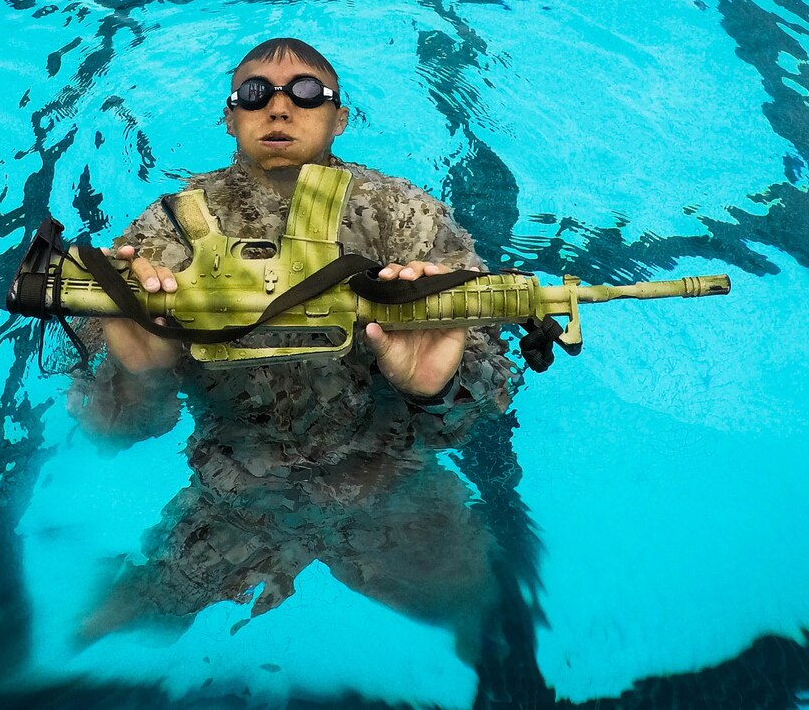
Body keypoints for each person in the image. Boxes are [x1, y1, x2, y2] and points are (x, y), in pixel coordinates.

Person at [70, 39, 517, 652]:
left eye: (306, 93)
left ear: (340, 116)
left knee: (478, 619)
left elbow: (493, 393)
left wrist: (439, 388)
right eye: (255, 94)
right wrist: (139, 374)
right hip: (237, 495)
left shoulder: (405, 220)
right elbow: (111, 431)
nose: (278, 108)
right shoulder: (164, 234)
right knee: (111, 625)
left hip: (391, 484)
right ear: (230, 117)